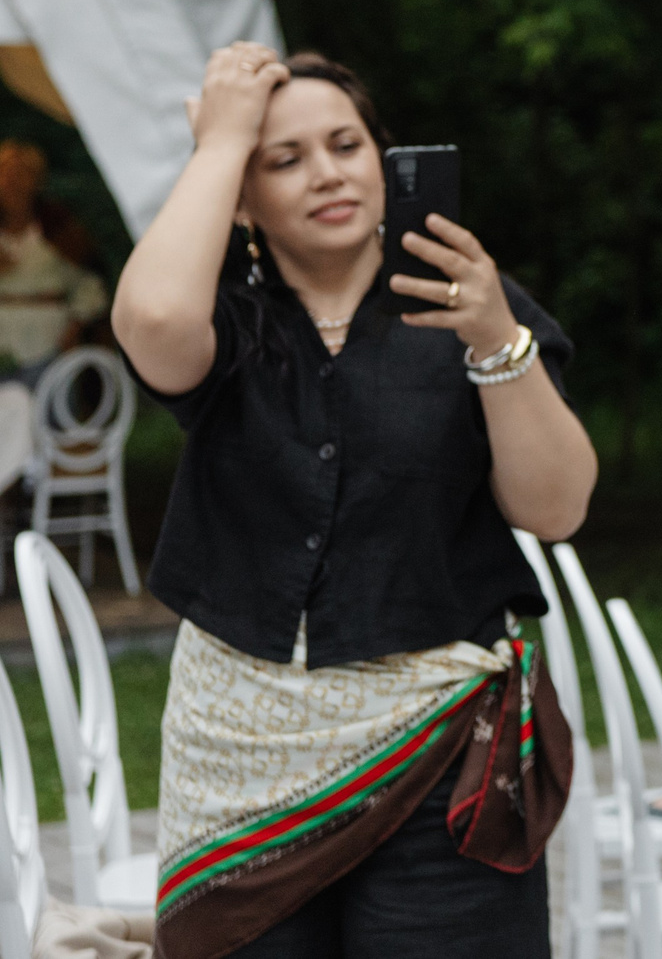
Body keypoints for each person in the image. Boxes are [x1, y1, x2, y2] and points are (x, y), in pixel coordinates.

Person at [111, 46, 593, 958]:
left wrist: (496, 338)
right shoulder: (224, 316)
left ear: (385, 156)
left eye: (346, 144)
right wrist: (221, 139)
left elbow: (557, 507)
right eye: (284, 158)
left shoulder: (470, 303)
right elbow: (151, 326)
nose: (328, 172)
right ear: (243, 197)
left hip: (437, 754)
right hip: (237, 768)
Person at [0, 140, 106, 381]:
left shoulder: (56, 225)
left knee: (51, 413)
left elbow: (91, 281)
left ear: (36, 180)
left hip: (48, 343)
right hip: (2, 347)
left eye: (20, 174)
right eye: (5, 175)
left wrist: (75, 326)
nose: (12, 183)